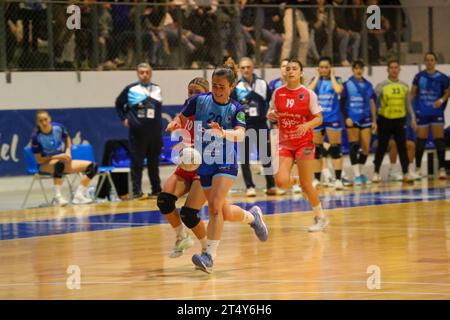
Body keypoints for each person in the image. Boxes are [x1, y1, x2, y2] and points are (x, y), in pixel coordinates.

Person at [166, 60, 268, 274]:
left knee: (213, 207)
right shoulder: (199, 101)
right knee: (223, 211)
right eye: (214, 85)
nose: (217, 90)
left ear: (231, 87)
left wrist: (224, 133)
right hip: (204, 163)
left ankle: (209, 256)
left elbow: (240, 135)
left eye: (222, 87)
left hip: (225, 161)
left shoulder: (236, 109)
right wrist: (176, 123)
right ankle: (252, 217)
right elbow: (183, 117)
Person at [267, 58, 329, 232]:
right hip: (285, 142)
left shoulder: (308, 94)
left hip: (304, 143)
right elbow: (271, 112)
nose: (291, 71)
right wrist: (271, 115)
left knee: (307, 185)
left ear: (301, 73)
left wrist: (306, 126)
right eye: (288, 69)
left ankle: (320, 217)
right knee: (280, 181)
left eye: (294, 69)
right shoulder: (278, 92)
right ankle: (300, 180)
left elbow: (319, 118)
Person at [157, 77, 209, 258]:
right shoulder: (187, 107)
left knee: (189, 213)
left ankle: (206, 249)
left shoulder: (212, 111)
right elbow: (180, 117)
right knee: (164, 200)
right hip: (188, 163)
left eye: (197, 92)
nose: (193, 96)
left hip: (205, 165)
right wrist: (174, 122)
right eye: (190, 92)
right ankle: (181, 236)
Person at [115, 62, 163, 200]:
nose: (144, 75)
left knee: (154, 163)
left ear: (151, 73)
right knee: (137, 162)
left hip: (154, 133)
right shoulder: (131, 89)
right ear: (137, 73)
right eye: (142, 72)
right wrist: (124, 118)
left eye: (147, 72)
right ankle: (136, 191)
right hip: (137, 133)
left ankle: (156, 190)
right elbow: (119, 104)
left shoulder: (157, 89)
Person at [232, 57, 278, 197]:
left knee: (266, 156)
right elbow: (232, 106)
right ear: (239, 69)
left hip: (261, 124)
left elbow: (272, 101)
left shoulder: (262, 84)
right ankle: (249, 186)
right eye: (243, 67)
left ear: (253, 68)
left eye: (248, 67)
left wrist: (271, 114)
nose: (246, 70)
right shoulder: (236, 87)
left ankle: (271, 185)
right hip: (243, 126)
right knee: (244, 158)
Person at [31, 110, 96, 206]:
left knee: (93, 166)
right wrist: (58, 156)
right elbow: (39, 159)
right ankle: (58, 197)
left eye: (45, 119)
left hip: (62, 159)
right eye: (41, 121)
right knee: (59, 164)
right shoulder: (36, 136)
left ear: (50, 119)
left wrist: (68, 150)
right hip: (45, 164)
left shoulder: (58, 127)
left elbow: (67, 138)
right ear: (38, 122)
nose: (44, 123)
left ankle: (79, 196)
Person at [372, 59, 416, 183]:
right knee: (381, 147)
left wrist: (412, 118)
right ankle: (376, 172)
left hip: (400, 120)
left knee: (402, 146)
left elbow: (408, 105)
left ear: (399, 69)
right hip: (385, 119)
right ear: (387, 69)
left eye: (396, 67)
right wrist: (374, 120)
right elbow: (374, 104)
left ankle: (406, 173)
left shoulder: (404, 86)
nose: (394, 70)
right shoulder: (381, 85)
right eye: (391, 67)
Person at [411, 52, 450, 179]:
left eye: (432, 60)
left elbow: (447, 92)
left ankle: (442, 168)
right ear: (424, 62)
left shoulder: (443, 77)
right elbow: (413, 93)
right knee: (421, 141)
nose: (429, 62)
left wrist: (441, 100)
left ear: (435, 61)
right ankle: (417, 168)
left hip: (436, 113)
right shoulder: (419, 76)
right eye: (427, 60)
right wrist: (411, 111)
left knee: (439, 140)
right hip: (422, 113)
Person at [308, 56, 344, 190]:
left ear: (331, 68)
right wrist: (317, 76)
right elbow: (308, 91)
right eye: (321, 67)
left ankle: (338, 179)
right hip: (318, 118)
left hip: (333, 118)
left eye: (326, 67)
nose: (324, 69)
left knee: (335, 149)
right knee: (317, 150)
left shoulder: (337, 80)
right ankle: (317, 179)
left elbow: (338, 90)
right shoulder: (315, 81)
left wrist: (333, 75)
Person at [340, 60, 377, 186]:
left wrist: (374, 120)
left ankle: (359, 174)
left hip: (366, 119)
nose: (358, 70)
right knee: (354, 146)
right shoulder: (347, 84)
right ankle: (356, 175)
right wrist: (346, 117)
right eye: (356, 68)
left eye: (361, 68)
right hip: (352, 118)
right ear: (353, 70)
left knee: (366, 148)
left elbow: (372, 103)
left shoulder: (368, 85)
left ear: (363, 69)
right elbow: (342, 103)